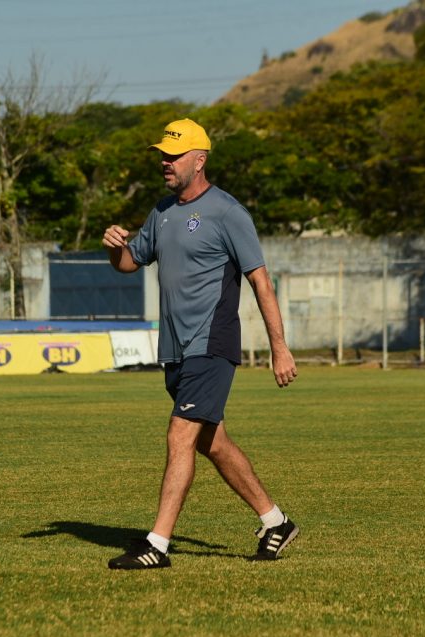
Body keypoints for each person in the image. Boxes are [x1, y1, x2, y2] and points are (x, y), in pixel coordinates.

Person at [102, 118, 299, 570]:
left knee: (180, 434)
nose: (165, 163)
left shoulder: (228, 212)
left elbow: (261, 282)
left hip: (212, 342)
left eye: (174, 155)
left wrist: (280, 347)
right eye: (162, 155)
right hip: (175, 348)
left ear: (200, 159)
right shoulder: (162, 211)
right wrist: (116, 246)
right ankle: (275, 522)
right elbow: (131, 262)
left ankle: (158, 544)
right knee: (213, 443)